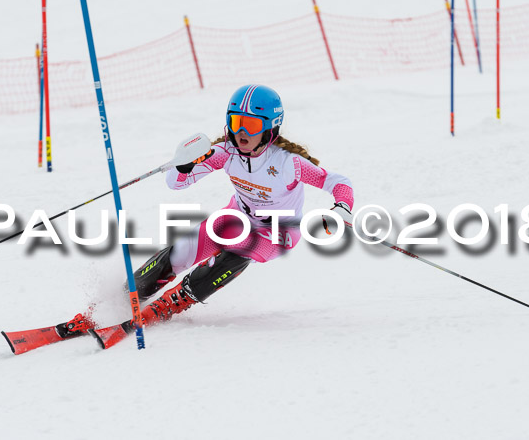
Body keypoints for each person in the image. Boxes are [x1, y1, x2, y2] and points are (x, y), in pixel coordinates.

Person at [62, 84, 354, 335]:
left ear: (270, 128)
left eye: (251, 125)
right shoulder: (226, 152)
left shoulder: (288, 162)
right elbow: (176, 183)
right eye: (236, 121)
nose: (241, 132)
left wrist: (342, 207)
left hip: (276, 233)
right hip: (236, 218)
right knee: (179, 251)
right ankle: (119, 301)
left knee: (237, 252)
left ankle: (178, 299)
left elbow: (337, 182)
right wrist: (185, 165)